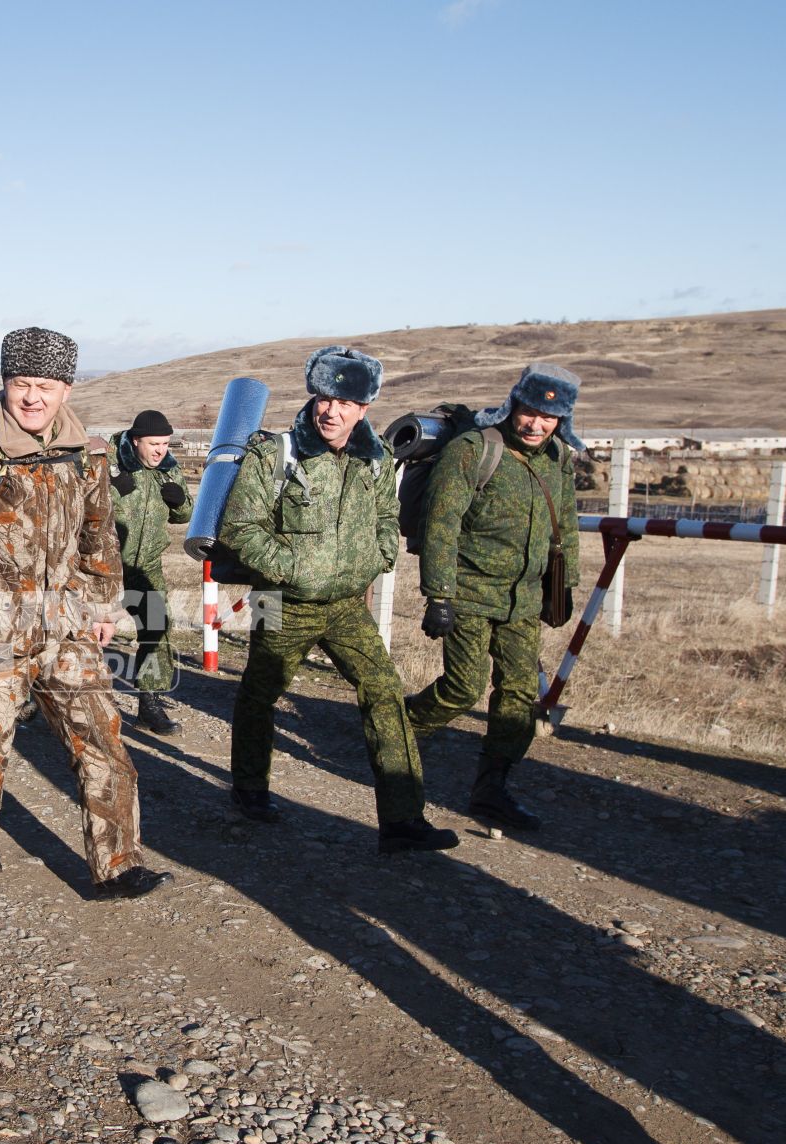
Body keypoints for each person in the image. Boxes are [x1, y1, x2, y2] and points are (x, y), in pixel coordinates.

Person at [0, 327, 171, 899]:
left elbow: (99, 531)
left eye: (46, 385)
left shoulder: (89, 454)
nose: (32, 397)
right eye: (21, 383)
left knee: (104, 743)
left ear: (66, 389)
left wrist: (105, 600)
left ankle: (118, 865)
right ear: (6, 384)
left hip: (66, 627)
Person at [219, 345, 458, 855]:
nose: (332, 411)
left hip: (349, 605)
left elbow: (387, 520)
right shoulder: (275, 454)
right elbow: (240, 526)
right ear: (313, 397)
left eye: (345, 403)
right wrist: (293, 570)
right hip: (283, 602)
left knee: (385, 693)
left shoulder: (377, 460)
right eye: (325, 398)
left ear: (363, 409)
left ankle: (402, 820)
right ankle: (250, 789)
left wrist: (376, 558)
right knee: (261, 694)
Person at [407, 363, 583, 830]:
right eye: (528, 412)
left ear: (561, 421)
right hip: (466, 591)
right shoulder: (475, 449)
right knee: (463, 689)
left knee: (520, 696)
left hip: (522, 599)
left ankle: (492, 791)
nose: (536, 424)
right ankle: (394, 732)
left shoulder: (559, 458)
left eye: (548, 418)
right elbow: (441, 524)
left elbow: (564, 523)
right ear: (515, 405)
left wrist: (564, 585)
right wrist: (438, 595)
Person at [109, 409, 195, 735]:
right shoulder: (109, 465)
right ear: (135, 441)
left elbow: (182, 515)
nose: (160, 450)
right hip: (106, 566)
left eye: (165, 444)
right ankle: (48, 696)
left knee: (157, 628)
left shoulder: (167, 471)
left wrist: (178, 500)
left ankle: (150, 704)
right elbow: (82, 506)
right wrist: (112, 487)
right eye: (153, 443)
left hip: (146, 565)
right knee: (77, 632)